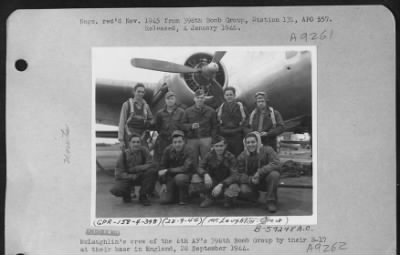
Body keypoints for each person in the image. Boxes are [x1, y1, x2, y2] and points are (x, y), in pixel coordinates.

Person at [236, 132, 281, 213]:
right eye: (248, 142)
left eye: (253, 142)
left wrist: (259, 172)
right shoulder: (242, 156)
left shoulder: (268, 150)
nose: (250, 144)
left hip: (265, 180)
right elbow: (239, 174)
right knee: (243, 191)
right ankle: (255, 196)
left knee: (275, 175)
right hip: (252, 182)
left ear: (258, 142)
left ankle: (271, 201)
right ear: (245, 144)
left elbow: (276, 163)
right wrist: (250, 180)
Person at [110, 133, 157, 206]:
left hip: (140, 176)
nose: (136, 144)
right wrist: (132, 176)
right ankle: (126, 194)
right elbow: (118, 174)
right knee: (116, 190)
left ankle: (143, 195)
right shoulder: (123, 155)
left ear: (140, 143)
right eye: (133, 142)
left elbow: (151, 164)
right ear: (129, 143)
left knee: (152, 172)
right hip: (127, 178)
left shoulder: (144, 151)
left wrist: (135, 169)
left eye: (138, 142)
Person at [195, 136, 240, 208]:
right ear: (213, 146)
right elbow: (199, 167)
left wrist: (221, 184)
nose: (219, 148)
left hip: (227, 182)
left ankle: (228, 200)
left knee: (233, 188)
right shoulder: (209, 155)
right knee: (196, 179)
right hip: (214, 180)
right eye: (217, 146)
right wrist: (205, 174)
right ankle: (209, 198)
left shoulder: (231, 157)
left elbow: (235, 175)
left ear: (225, 146)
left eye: (221, 146)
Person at [158, 130, 195, 205]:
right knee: (164, 200)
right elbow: (162, 166)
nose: (177, 144)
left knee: (179, 178)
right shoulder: (167, 150)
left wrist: (168, 170)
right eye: (175, 142)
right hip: (171, 176)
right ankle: (175, 193)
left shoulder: (189, 150)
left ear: (184, 142)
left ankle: (185, 194)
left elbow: (185, 168)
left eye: (179, 142)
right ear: (172, 143)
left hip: (185, 175)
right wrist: (163, 183)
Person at [182, 89, 217, 167]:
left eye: (202, 98)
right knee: (192, 160)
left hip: (206, 138)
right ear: (194, 99)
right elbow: (182, 125)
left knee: (207, 160)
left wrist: (213, 140)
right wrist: (191, 126)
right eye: (198, 97)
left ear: (204, 99)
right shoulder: (187, 111)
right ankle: (194, 176)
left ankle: (206, 175)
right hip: (192, 139)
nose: (200, 99)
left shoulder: (211, 111)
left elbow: (214, 126)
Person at [152, 91, 185, 163]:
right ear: (165, 100)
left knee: (176, 160)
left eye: (172, 98)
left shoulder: (181, 112)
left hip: (176, 141)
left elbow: (182, 126)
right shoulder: (159, 113)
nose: (170, 100)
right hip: (163, 141)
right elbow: (157, 127)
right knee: (162, 160)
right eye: (168, 98)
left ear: (175, 100)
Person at [118, 83, 153, 149]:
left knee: (146, 155)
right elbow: (122, 122)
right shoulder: (126, 104)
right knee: (130, 157)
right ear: (134, 92)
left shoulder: (146, 106)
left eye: (142, 92)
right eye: (138, 91)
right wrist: (121, 140)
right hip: (130, 135)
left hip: (142, 135)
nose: (140, 94)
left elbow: (151, 121)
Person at [217, 87, 247, 156]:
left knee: (238, 155)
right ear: (224, 96)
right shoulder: (220, 109)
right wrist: (221, 131)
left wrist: (241, 131)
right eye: (227, 95)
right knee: (225, 156)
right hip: (225, 136)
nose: (229, 97)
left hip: (237, 137)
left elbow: (246, 121)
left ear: (234, 95)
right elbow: (217, 122)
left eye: (231, 94)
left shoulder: (241, 107)